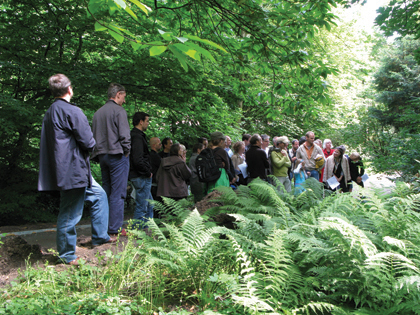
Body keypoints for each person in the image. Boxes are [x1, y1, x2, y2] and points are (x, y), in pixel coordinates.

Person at [38, 74, 114, 265]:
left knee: (99, 195)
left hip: (69, 170)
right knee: (70, 212)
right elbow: (88, 142)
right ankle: (67, 255)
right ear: (69, 89)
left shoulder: (50, 111)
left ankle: (100, 236)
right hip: (73, 170)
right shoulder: (72, 111)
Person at [92, 83, 130, 237]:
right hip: (117, 155)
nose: (124, 101)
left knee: (106, 191)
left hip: (102, 156)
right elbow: (125, 136)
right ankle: (114, 228)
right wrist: (126, 151)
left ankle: (103, 227)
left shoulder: (97, 113)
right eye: (124, 97)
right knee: (118, 193)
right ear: (118, 94)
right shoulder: (119, 111)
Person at [129, 112, 154, 229]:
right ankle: (137, 231)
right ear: (141, 122)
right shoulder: (137, 137)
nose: (148, 124)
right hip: (141, 176)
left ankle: (148, 229)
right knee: (142, 206)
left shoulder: (136, 136)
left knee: (149, 204)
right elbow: (138, 159)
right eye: (147, 121)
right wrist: (147, 172)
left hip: (140, 175)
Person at [149, 137, 162, 203]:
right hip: (154, 184)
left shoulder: (151, 155)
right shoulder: (154, 156)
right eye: (159, 144)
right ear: (154, 145)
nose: (161, 145)